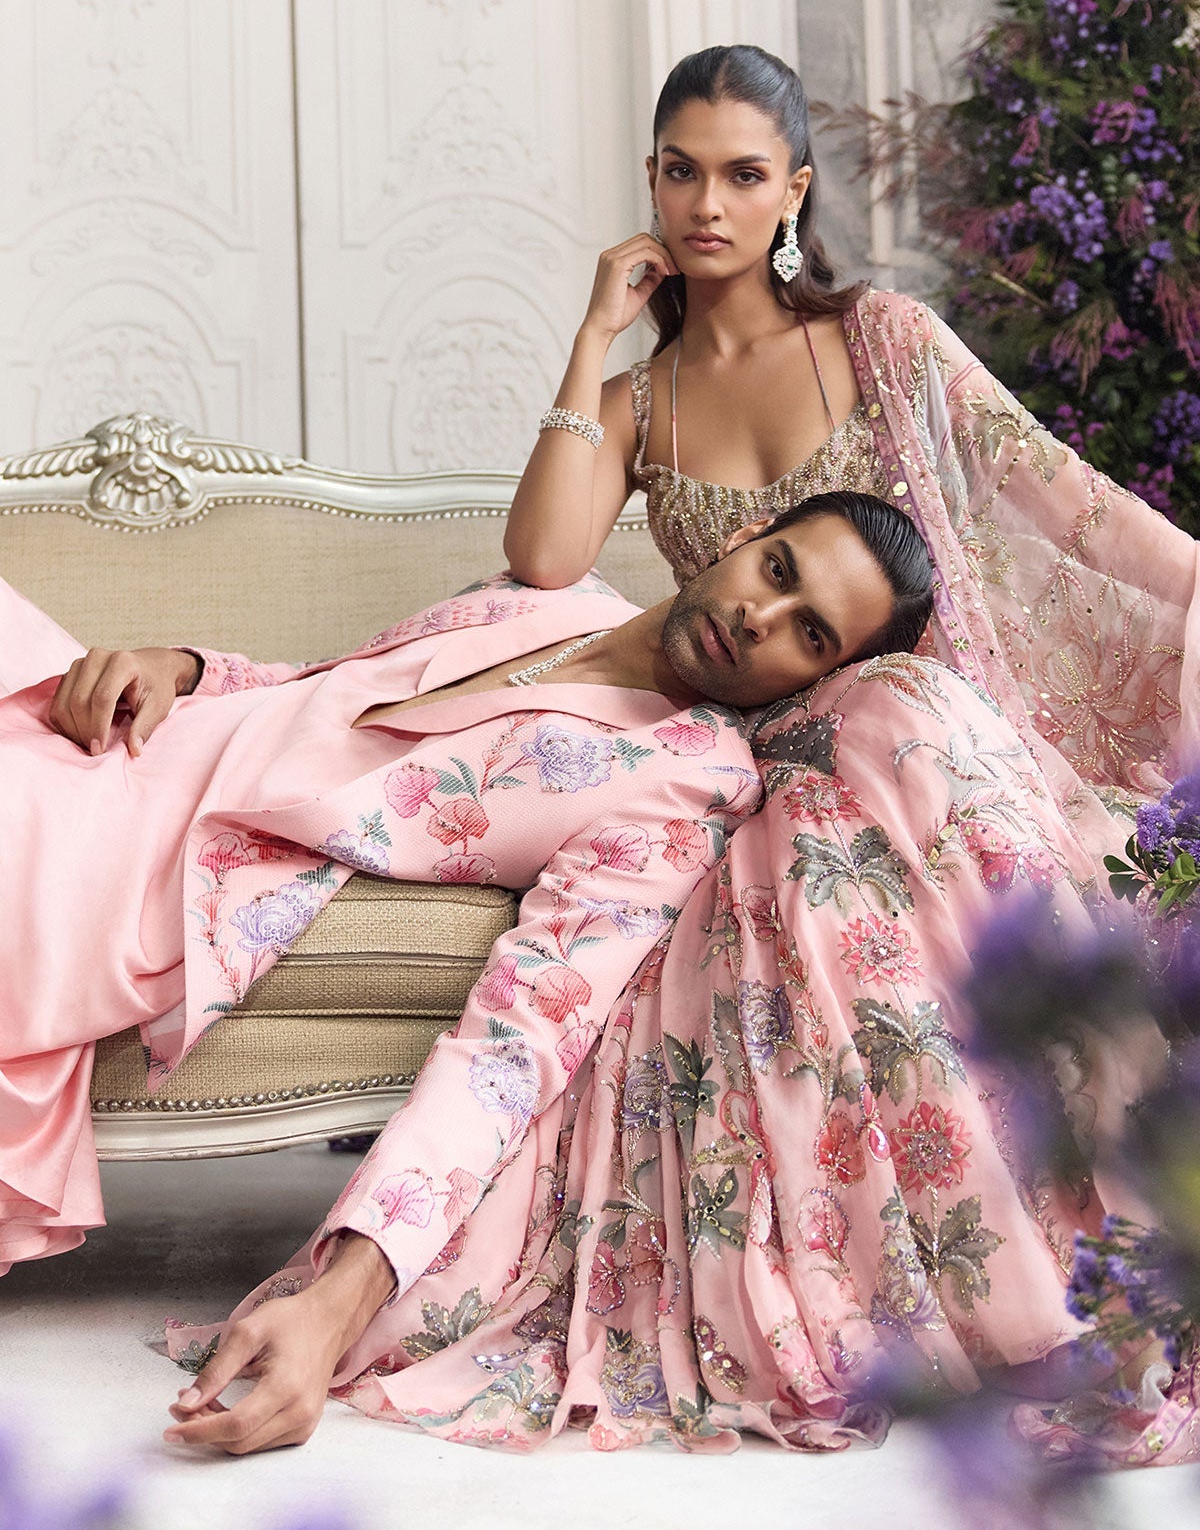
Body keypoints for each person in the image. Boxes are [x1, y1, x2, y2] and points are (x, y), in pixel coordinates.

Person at [160, 48, 1198, 1462]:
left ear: (795, 192)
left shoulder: (883, 341)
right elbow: (545, 561)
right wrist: (594, 336)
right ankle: (945, 1290)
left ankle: (1093, 1242)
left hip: (917, 759)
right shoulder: (642, 400)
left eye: (743, 175)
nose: (708, 205)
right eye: (680, 171)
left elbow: (1069, 509)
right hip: (746, 774)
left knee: (910, 721)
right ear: (650, 180)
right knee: (813, 831)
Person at [2, 489, 926, 1278]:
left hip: (166, 849)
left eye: (809, 632)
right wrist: (183, 668)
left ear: (822, 677)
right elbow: (330, 684)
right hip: (131, 738)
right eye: (777, 570)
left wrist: (357, 1275)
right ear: (744, 537)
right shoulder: (555, 596)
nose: (762, 618)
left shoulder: (693, 780)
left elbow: (526, 1034)